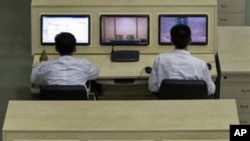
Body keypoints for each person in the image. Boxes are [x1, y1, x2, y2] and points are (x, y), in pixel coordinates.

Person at [148, 24, 215, 96]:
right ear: (190, 40)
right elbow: (210, 90)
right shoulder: (201, 64)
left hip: (166, 106)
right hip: (193, 106)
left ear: (171, 41)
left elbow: (152, 87)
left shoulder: (159, 59)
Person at [31, 32, 100, 89]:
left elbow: (33, 79)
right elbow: (96, 74)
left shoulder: (46, 66)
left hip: (53, 104)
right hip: (78, 104)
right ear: (75, 49)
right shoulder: (85, 64)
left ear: (56, 49)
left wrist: (42, 63)